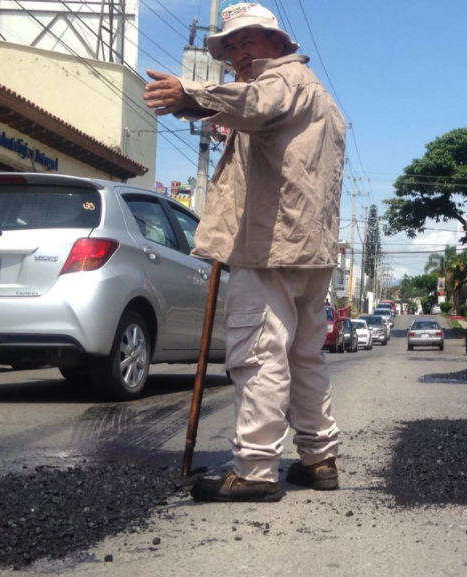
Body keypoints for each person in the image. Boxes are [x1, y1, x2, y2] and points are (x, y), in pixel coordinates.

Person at [143, 2, 346, 502]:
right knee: (303, 356)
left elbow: (253, 103)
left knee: (257, 353)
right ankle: (319, 458)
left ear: (277, 44)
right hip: (308, 248)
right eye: (230, 45)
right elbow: (253, 109)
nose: (237, 51)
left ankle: (255, 470)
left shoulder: (283, 81)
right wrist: (200, 104)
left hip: (271, 245)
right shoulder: (317, 95)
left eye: (247, 40)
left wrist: (190, 93)